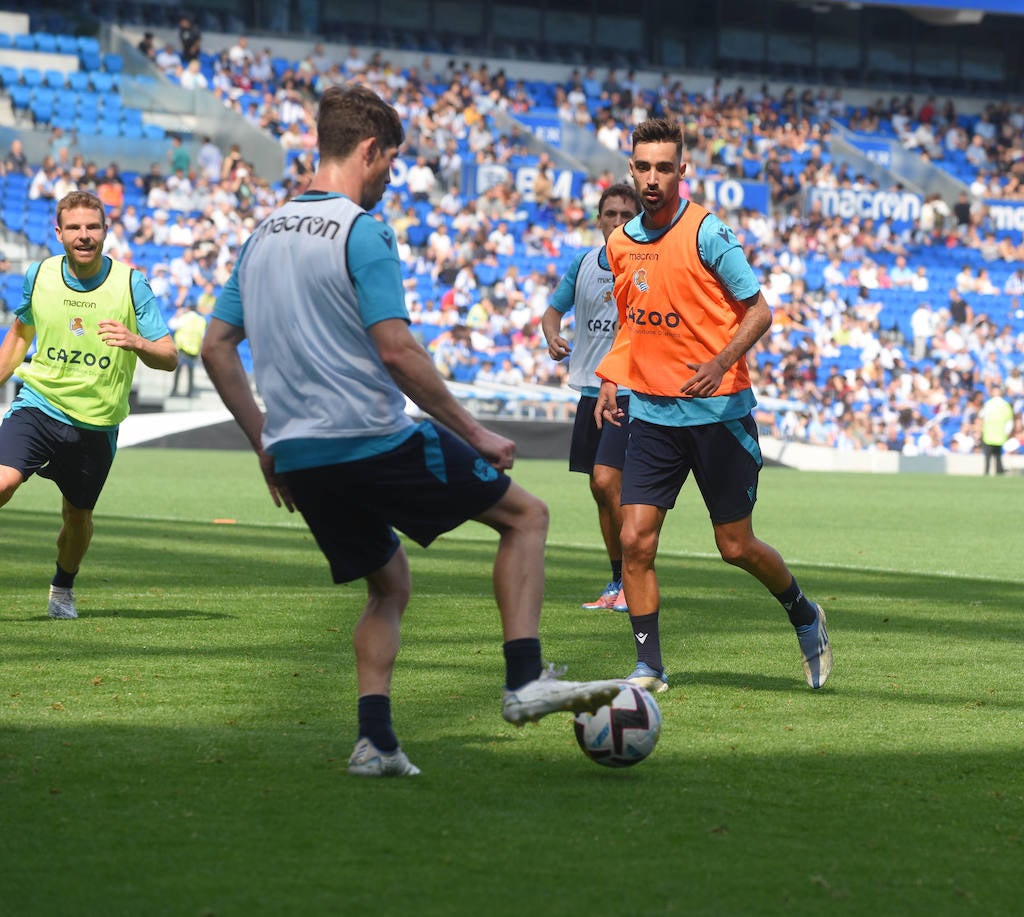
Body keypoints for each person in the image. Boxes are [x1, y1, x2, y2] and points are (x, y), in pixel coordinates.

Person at [200, 84, 622, 777]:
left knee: (388, 583)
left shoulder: (262, 234)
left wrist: (265, 445)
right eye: (391, 163)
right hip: (370, 438)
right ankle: (524, 680)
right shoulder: (360, 231)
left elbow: (217, 345)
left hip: (302, 456)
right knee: (527, 516)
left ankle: (375, 740)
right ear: (369, 151)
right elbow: (396, 348)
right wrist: (476, 431)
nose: (391, 179)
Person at [595, 118, 831, 693]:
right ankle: (649, 666)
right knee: (634, 539)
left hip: (719, 414)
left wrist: (720, 363)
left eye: (664, 168)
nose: (653, 179)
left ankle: (804, 612)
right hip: (651, 413)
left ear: (683, 171)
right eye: (643, 168)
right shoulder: (621, 243)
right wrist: (611, 377)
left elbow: (760, 311)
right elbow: (633, 322)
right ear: (631, 170)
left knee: (735, 546)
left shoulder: (708, 233)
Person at [0, 190, 178, 619]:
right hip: (39, 404)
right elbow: (20, 336)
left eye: (92, 227)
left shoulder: (131, 283)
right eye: (75, 227)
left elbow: (169, 356)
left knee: (76, 519)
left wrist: (137, 342)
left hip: (96, 425)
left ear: (105, 231)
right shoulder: (39, 275)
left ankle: (62, 589)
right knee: (2, 483)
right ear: (58, 233)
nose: (84, 235)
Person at [539, 183, 639, 612]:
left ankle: (633, 580)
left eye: (624, 215)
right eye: (609, 214)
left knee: (607, 480)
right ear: (598, 219)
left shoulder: (643, 267)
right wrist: (552, 336)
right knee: (601, 492)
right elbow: (551, 312)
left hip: (630, 393)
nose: (616, 222)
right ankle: (618, 582)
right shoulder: (583, 265)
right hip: (588, 389)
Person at [168, 301, 208, 397]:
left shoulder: (184, 318)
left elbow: (171, 325)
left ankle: (174, 390)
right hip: (194, 350)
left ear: (188, 308)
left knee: (178, 370)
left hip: (183, 348)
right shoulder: (201, 320)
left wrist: (177, 314)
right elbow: (203, 336)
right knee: (190, 371)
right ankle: (189, 392)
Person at [978, 384, 1014, 476]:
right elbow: (1009, 421)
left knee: (990, 456)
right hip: (997, 435)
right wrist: (1007, 433)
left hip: (990, 434)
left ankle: (989, 472)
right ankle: (998, 472)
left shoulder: (989, 404)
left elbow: (981, 416)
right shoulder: (1003, 404)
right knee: (996, 456)